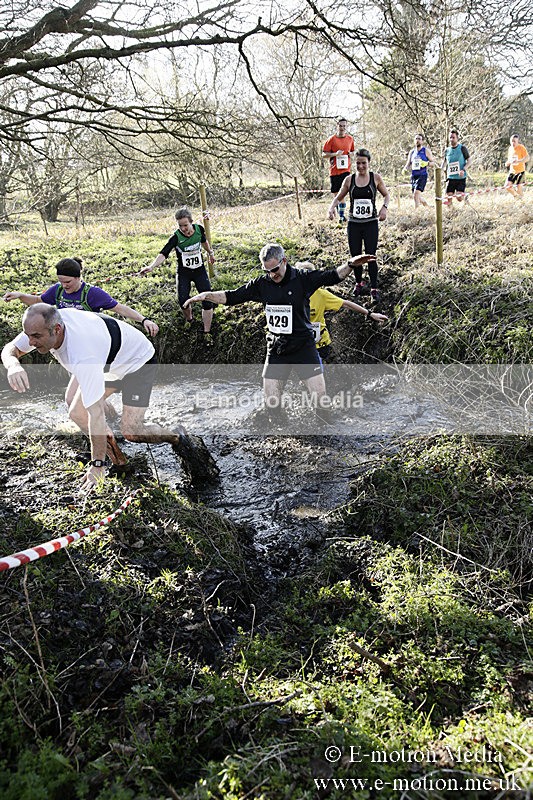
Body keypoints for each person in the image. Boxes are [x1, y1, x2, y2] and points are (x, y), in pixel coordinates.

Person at [1, 304, 217, 492]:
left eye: (36, 337)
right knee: (76, 412)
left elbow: (96, 414)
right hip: (107, 361)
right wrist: (13, 365)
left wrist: (96, 464)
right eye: (28, 335)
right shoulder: (41, 325)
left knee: (131, 430)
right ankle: (122, 465)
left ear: (57, 330)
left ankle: (175, 435)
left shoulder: (83, 354)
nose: (30, 342)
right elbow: (10, 349)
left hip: (135, 362)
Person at [183, 244, 375, 419]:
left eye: (274, 269)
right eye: (267, 271)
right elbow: (232, 296)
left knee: (321, 401)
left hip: (303, 347)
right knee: (271, 404)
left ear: (284, 261)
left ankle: (326, 434)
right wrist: (206, 296)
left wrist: (350, 264)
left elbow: (332, 276)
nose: (272, 274)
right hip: (276, 348)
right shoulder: (262, 284)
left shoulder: (302, 278)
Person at [3, 257, 159, 335]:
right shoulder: (57, 290)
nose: (64, 285)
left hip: (92, 337)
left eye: (68, 282)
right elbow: (37, 301)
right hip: (68, 338)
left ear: (78, 277)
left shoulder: (93, 293)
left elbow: (120, 309)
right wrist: (19, 295)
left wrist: (144, 320)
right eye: (61, 281)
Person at [141, 207, 216, 343]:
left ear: (191, 223)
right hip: (184, 273)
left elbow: (204, 242)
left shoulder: (199, 229)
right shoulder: (176, 237)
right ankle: (190, 320)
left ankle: (207, 332)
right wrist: (151, 266)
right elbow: (163, 253)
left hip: (199, 271)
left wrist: (210, 253)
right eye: (180, 226)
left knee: (208, 299)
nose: (183, 228)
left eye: (185, 225)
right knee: (183, 301)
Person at [327, 148, 390, 301]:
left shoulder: (375, 178)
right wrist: (331, 208)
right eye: (358, 163)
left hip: (370, 224)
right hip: (354, 224)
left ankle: (374, 287)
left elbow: (386, 195)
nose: (361, 166)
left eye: (364, 163)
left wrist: (384, 208)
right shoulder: (349, 179)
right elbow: (339, 197)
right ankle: (358, 283)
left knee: (371, 255)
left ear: (369, 163)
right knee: (355, 256)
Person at [295, 261, 388, 362]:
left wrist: (370, 314)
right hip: (296, 343)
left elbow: (346, 303)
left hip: (319, 344)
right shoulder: (290, 294)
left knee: (313, 373)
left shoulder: (322, 295)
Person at [322, 118, 355, 223]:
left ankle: (342, 216)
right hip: (334, 170)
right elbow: (324, 154)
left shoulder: (350, 139)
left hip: (346, 170)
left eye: (344, 126)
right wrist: (335, 154)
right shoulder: (331, 139)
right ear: (337, 126)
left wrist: (351, 154)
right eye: (340, 126)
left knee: (343, 193)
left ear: (346, 127)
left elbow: (353, 152)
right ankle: (337, 212)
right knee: (336, 194)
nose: (342, 128)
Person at [403, 133, 435, 208]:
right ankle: (428, 207)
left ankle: (417, 212)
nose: (417, 140)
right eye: (416, 139)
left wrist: (426, 163)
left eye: (419, 139)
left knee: (416, 194)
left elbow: (433, 163)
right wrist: (405, 169)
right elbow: (408, 163)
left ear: (422, 141)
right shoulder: (412, 152)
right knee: (417, 196)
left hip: (422, 175)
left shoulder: (426, 151)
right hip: (414, 175)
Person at [442, 128, 471, 203]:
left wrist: (463, 169)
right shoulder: (447, 150)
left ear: (457, 138)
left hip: (460, 177)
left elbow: (469, 161)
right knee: (449, 196)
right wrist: (440, 170)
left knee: (459, 198)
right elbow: (444, 162)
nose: (451, 139)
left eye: (453, 137)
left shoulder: (462, 148)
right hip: (451, 177)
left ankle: (465, 196)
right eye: (450, 138)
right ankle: (451, 211)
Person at [505, 134, 529, 199]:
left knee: (519, 188)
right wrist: (507, 163)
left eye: (514, 141)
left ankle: (521, 200)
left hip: (520, 171)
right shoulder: (510, 149)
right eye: (512, 141)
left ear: (518, 141)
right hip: (512, 171)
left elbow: (527, 158)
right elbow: (509, 160)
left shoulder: (521, 148)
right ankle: (516, 196)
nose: (513, 143)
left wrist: (518, 161)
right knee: (507, 187)